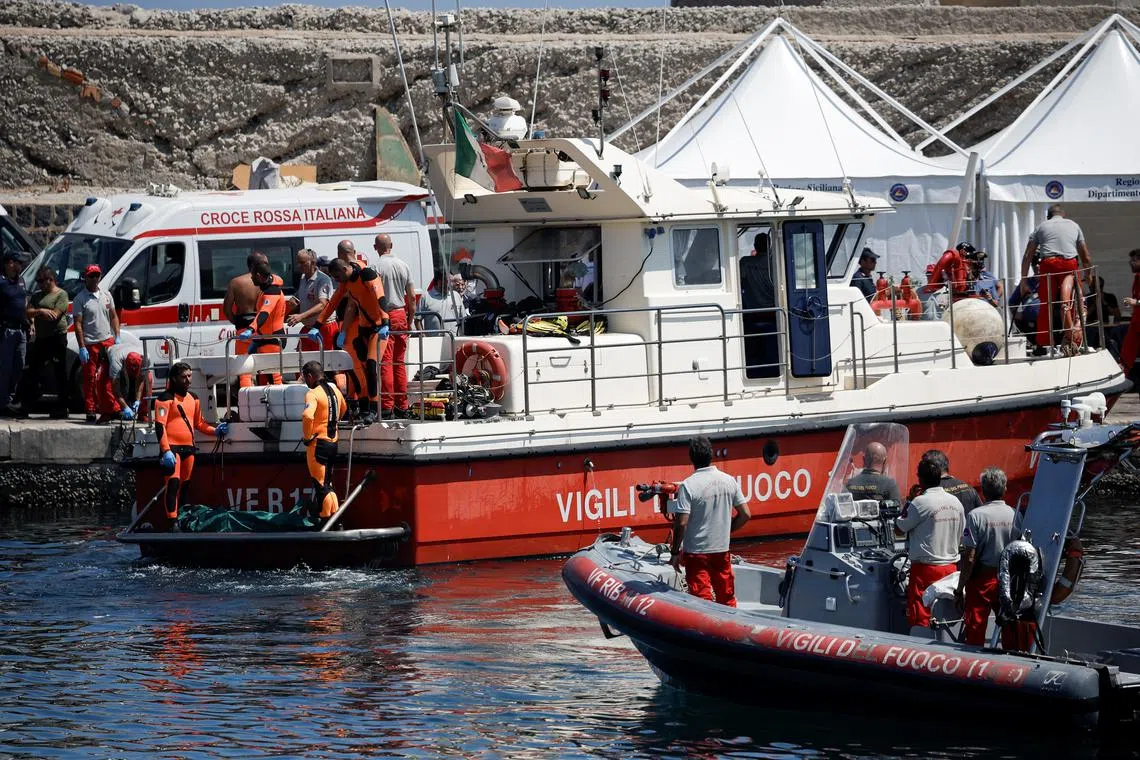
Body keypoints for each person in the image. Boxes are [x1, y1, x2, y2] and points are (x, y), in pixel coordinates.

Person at [668, 436, 752, 607]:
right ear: (711, 454)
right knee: (727, 597)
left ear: (691, 458)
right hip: (722, 551)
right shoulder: (729, 481)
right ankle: (729, 630)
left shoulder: (688, 485)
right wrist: (725, 531)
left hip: (696, 553)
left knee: (702, 600)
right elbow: (745, 514)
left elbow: (681, 523)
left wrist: (675, 552)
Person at [311, 258, 389, 425]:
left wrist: (386, 321)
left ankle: (375, 410)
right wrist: (317, 324)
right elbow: (332, 303)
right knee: (357, 369)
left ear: (345, 270)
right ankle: (364, 407)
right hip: (363, 329)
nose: (336, 280)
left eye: (336, 276)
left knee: (372, 365)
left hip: (378, 328)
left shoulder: (366, 274)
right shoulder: (346, 283)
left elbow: (379, 296)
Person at [896, 457, 965, 629]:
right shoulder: (955, 502)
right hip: (951, 567)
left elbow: (899, 528)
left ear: (920, 479)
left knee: (921, 616)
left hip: (925, 570)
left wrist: (910, 501)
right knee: (946, 618)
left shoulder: (919, 503)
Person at [154, 362, 227, 521]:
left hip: (189, 449)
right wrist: (165, 450)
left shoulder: (193, 398)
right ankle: (172, 522)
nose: (188, 380)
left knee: (185, 486)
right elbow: (160, 426)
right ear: (174, 378)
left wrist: (215, 431)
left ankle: (182, 518)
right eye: (183, 377)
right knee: (173, 484)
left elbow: (199, 423)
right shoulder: (164, 399)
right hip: (172, 449)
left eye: (189, 376)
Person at [1018, 205, 1093, 354]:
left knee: (1047, 305)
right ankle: (1073, 341)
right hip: (1069, 264)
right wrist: (1088, 275)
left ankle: (1043, 344)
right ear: (1063, 215)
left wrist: (1024, 280)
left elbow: (1028, 256)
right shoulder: (1074, 225)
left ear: (1048, 216)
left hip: (1048, 264)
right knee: (1074, 302)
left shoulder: (1041, 227)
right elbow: (1085, 256)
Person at [955, 467, 1017, 646]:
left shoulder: (975, 516)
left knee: (975, 627)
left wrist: (959, 590)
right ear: (1005, 489)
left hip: (981, 579)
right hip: (1008, 578)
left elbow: (969, 557)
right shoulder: (1015, 514)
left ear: (982, 490)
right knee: (1009, 623)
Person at [373, 233, 415, 419]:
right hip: (401, 314)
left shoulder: (376, 267)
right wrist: (411, 320)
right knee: (399, 363)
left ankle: (387, 407)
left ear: (376, 248)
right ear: (392, 245)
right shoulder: (403, 265)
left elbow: (373, 296)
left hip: (384, 316)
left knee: (386, 363)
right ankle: (402, 405)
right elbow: (412, 297)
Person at [72, 264, 120, 424]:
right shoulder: (80, 299)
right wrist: (82, 347)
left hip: (108, 341)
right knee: (90, 378)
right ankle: (90, 409)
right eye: (91, 276)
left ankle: (113, 408)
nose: (94, 279)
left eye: (97, 276)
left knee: (111, 376)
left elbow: (113, 316)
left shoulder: (107, 295)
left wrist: (117, 335)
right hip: (91, 344)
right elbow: (78, 324)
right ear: (85, 278)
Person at [19, 265, 69, 418]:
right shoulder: (37, 296)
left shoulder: (61, 295)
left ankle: (62, 407)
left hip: (56, 338)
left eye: (42, 281)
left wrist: (41, 313)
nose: (39, 284)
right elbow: (27, 312)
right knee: (33, 371)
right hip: (42, 338)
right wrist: (40, 311)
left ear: (50, 280)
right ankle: (26, 405)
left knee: (59, 372)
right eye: (38, 281)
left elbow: (55, 315)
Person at [300, 360, 347, 521]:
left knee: (320, 485)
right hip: (333, 443)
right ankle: (335, 519)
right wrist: (332, 421)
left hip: (318, 445)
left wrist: (307, 437)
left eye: (305, 378)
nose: (306, 382)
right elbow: (344, 408)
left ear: (310, 376)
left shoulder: (312, 393)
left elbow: (307, 415)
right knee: (328, 483)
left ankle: (325, 518)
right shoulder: (335, 390)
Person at [237, 261, 286, 385]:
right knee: (263, 377)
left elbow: (264, 313)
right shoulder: (267, 289)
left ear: (258, 276)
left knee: (274, 378)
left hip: (272, 339)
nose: (251, 278)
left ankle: (278, 403)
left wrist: (251, 329)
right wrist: (257, 339)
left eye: (252, 276)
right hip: (264, 338)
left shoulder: (272, 292)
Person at [223, 251, 268, 388]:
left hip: (244, 328)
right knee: (267, 367)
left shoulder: (236, 282)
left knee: (244, 369)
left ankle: (247, 400)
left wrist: (237, 323)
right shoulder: (267, 282)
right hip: (264, 328)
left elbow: (227, 308)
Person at [740, 233, 780, 378]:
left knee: (753, 353)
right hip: (774, 315)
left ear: (755, 246)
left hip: (752, 314)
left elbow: (740, 282)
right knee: (773, 352)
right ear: (769, 246)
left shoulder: (745, 263)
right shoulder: (776, 263)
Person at [288, 249, 336, 354]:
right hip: (308, 328)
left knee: (326, 365)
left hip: (324, 328)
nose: (299, 266)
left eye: (302, 263)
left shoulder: (322, 279)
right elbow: (304, 297)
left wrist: (301, 316)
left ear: (313, 262)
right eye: (298, 262)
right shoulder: (303, 278)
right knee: (303, 363)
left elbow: (322, 304)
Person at [0, 252, 28, 417]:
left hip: (21, 330)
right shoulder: (1, 283)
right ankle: (3, 402)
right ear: (10, 263)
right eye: (18, 263)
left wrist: (29, 323)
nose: (21, 266)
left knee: (19, 365)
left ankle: (10, 398)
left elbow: (24, 303)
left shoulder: (22, 281)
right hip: (6, 330)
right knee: (5, 368)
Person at [107, 330, 152, 422]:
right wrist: (125, 407)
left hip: (128, 352)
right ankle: (110, 412)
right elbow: (115, 387)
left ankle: (143, 413)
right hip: (112, 353)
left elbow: (140, 381)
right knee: (102, 380)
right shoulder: (116, 361)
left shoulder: (145, 358)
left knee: (149, 379)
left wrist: (138, 400)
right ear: (125, 364)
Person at [1117, 249, 1140, 384]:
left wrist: (1135, 302)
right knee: (1127, 351)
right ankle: (1121, 378)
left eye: (1135, 260)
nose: (1131, 263)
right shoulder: (1137, 277)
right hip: (1136, 321)